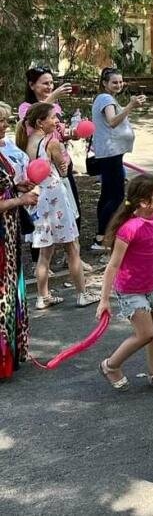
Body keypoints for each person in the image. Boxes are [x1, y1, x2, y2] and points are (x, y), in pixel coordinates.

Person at [96, 174, 153, 392]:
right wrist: (104, 299)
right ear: (144, 202)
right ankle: (110, 365)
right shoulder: (129, 228)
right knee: (146, 333)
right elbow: (113, 265)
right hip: (131, 289)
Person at [16, 103, 99, 309]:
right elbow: (63, 171)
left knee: (45, 252)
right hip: (55, 198)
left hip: (38, 199)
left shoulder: (27, 142)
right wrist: (64, 156)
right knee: (72, 247)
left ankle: (42, 297)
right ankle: (82, 293)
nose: (57, 121)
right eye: (53, 118)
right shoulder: (51, 143)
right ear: (40, 122)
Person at [0, 102, 39, 380]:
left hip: (9, 232)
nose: (4, 125)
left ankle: (10, 356)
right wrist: (20, 199)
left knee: (11, 288)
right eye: (0, 121)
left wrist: (15, 187)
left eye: (5, 120)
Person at [90, 67, 147, 250]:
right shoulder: (106, 99)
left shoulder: (105, 98)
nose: (119, 85)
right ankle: (102, 236)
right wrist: (130, 106)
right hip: (110, 153)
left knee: (107, 194)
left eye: (121, 82)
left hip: (111, 153)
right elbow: (112, 121)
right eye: (114, 82)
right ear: (105, 83)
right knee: (116, 196)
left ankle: (101, 234)